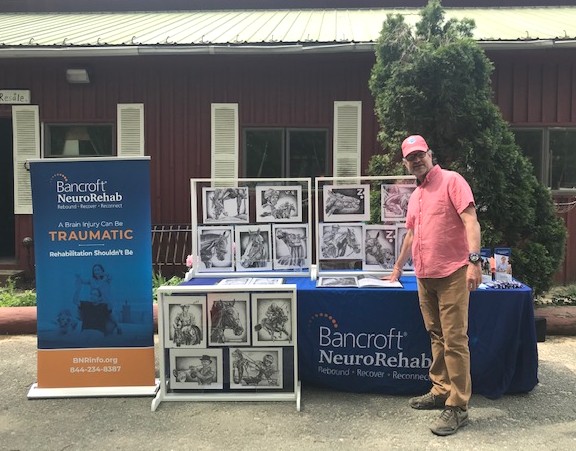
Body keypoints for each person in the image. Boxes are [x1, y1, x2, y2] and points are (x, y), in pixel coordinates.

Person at [387, 135, 482, 436]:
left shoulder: (453, 181)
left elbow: (471, 221)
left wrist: (475, 262)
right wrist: (398, 267)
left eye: (420, 154)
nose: (416, 160)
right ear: (405, 163)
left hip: (453, 272)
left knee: (455, 340)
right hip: (423, 275)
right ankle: (441, 389)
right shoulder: (415, 195)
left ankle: (458, 407)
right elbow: (411, 235)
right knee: (436, 335)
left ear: (430, 154)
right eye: (410, 157)